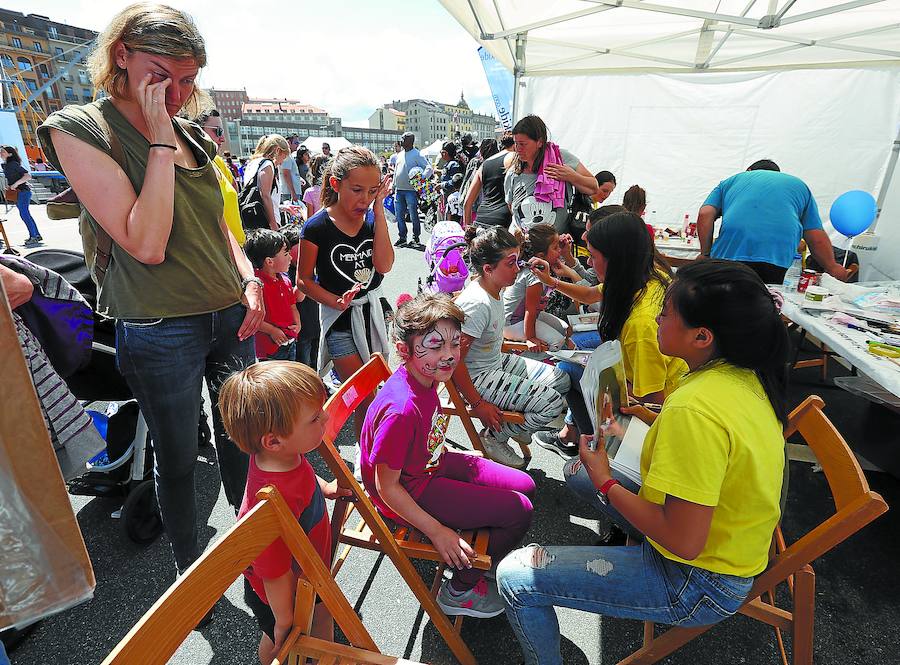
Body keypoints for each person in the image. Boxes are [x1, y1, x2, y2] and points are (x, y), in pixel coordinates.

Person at [37, 3, 264, 580]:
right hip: (161, 326)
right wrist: (161, 142)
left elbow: (219, 227)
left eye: (189, 80)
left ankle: (250, 550)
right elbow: (146, 242)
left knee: (242, 441)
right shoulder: (80, 127)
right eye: (165, 75)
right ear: (122, 56)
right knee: (179, 459)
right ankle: (193, 576)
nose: (181, 93)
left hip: (228, 312)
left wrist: (249, 280)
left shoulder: (194, 134)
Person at [497, 260, 789, 665]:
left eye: (666, 313)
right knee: (580, 474)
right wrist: (645, 422)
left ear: (702, 336)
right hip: (729, 543)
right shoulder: (742, 375)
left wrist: (607, 482)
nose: (656, 318)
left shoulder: (696, 409)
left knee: (515, 576)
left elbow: (684, 541)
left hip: (697, 579)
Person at [359, 293, 535, 618]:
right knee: (519, 511)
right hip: (412, 490)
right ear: (404, 350)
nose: (450, 356)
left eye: (455, 344)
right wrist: (437, 531)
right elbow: (387, 488)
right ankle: (458, 590)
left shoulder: (425, 378)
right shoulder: (401, 409)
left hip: (431, 464)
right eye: (436, 345)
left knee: (526, 485)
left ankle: (488, 555)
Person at [219, 361, 351, 664]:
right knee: (282, 644)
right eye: (315, 418)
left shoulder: (281, 457)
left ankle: (323, 656)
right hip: (280, 594)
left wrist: (323, 488)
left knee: (321, 618)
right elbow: (273, 571)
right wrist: (283, 620)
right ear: (274, 441)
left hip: (306, 571)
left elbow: (300, 474)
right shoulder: (268, 507)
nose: (326, 417)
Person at [527, 212, 687, 458]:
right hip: (644, 381)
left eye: (592, 256)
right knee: (573, 362)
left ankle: (592, 448)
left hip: (655, 405)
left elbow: (652, 398)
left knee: (566, 371)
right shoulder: (644, 274)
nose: (589, 263)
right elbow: (591, 294)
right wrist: (552, 281)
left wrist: (602, 377)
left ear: (615, 259)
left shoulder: (641, 325)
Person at [452, 226, 570, 469]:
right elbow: (454, 362)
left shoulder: (493, 288)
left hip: (496, 362)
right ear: (488, 269)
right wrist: (478, 404)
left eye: (517, 261)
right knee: (553, 404)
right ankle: (495, 436)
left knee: (562, 380)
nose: (518, 268)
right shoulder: (477, 304)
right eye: (511, 263)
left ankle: (517, 425)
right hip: (476, 378)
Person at [296, 146, 394, 440]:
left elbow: (384, 265)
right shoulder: (316, 227)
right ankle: (367, 456)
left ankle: (371, 451)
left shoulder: (373, 219)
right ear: (336, 185)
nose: (364, 199)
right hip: (338, 319)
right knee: (364, 392)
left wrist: (379, 212)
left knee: (375, 388)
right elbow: (303, 280)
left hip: (370, 312)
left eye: (372, 191)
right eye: (357, 190)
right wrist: (334, 302)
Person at [698, 159, 849, 284]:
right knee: (765, 304)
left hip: (728, 255)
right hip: (777, 258)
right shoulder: (798, 185)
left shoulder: (731, 181)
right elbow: (815, 235)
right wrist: (832, 266)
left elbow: (705, 213)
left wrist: (705, 254)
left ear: (749, 170)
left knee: (719, 305)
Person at [505, 115, 599, 232]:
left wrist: (572, 176)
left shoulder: (560, 158)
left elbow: (594, 187)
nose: (518, 149)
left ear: (539, 142)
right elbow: (512, 208)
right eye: (516, 143)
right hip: (522, 244)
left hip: (555, 246)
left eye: (523, 144)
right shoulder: (512, 173)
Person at [503, 223, 571, 352]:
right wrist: (531, 338)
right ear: (540, 256)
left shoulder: (540, 269)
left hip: (526, 316)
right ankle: (544, 362)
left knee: (565, 329)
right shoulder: (534, 276)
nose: (560, 251)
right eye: (555, 248)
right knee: (557, 341)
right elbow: (530, 309)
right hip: (512, 323)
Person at [244, 229, 301, 361]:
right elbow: (252, 316)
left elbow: (293, 307)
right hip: (270, 348)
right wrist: (272, 330)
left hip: (290, 340)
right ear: (269, 261)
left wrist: (297, 323)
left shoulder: (285, 280)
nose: (290, 257)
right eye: (286, 254)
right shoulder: (256, 286)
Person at [196, 108, 245, 244]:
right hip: (219, 252)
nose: (222, 138)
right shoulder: (191, 165)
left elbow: (234, 187)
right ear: (196, 130)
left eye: (222, 132)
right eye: (217, 132)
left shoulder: (217, 161)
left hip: (237, 247)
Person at [463, 134, 515, 228]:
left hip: (481, 220)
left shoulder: (485, 164)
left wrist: (468, 229)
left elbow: (467, 203)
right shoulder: (515, 158)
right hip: (504, 223)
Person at [243, 134, 290, 231]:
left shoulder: (252, 163)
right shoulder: (267, 164)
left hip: (253, 220)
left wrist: (282, 207)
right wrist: (274, 225)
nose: (282, 162)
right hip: (266, 224)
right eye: (283, 157)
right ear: (277, 150)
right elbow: (265, 195)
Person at [391, 131, 430, 248]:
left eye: (403, 139)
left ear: (410, 141)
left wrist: (422, 178)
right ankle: (402, 237)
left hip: (411, 191)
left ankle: (415, 237)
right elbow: (396, 171)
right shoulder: (399, 154)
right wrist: (393, 185)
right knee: (399, 215)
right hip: (399, 190)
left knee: (413, 215)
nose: (401, 141)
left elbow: (428, 168)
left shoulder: (417, 154)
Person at [1, 146, 42, 245]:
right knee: (25, 214)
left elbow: (27, 176)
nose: (1, 153)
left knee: (24, 214)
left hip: (22, 192)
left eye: (3, 151)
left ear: (10, 154)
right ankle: (36, 234)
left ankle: (33, 236)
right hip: (20, 192)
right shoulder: (6, 165)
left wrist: (16, 184)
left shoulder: (13, 164)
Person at [302, 153, 329, 220]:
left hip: (317, 228)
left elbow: (309, 219)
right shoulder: (334, 190)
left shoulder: (310, 192)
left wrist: (302, 212)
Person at [280, 134, 304, 203]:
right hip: (289, 193)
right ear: (288, 143)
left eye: (298, 143)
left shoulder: (289, 156)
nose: (298, 145)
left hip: (291, 192)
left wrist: (299, 179)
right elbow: (286, 174)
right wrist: (293, 192)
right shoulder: (286, 156)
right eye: (296, 143)